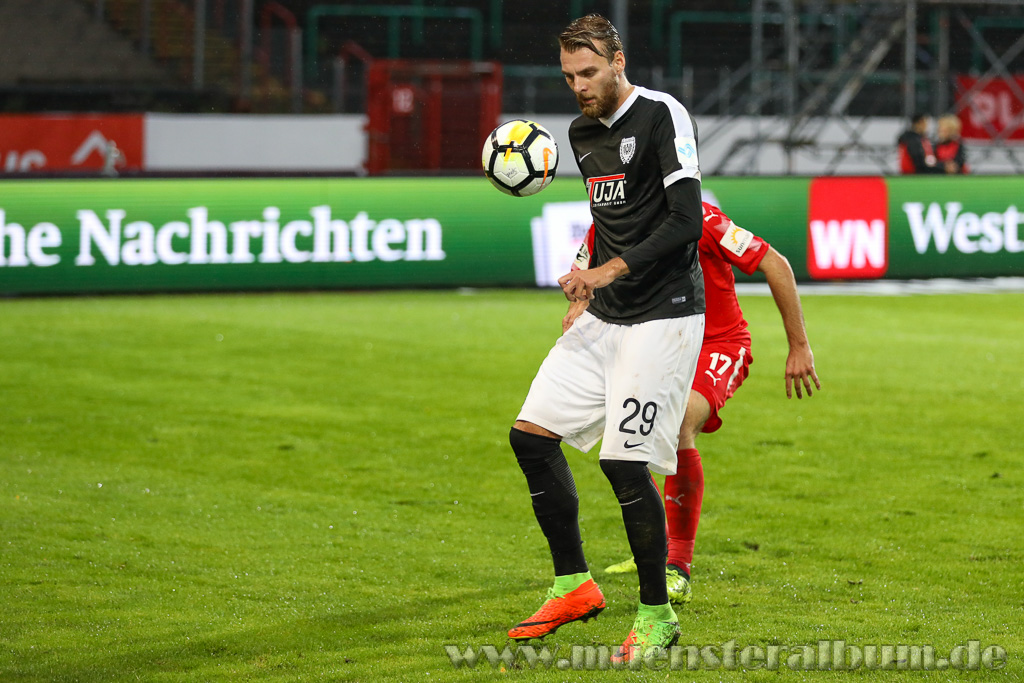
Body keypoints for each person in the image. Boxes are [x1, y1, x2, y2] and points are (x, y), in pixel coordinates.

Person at [506, 14, 706, 661]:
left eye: (588, 72)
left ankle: (656, 614)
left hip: (667, 315)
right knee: (530, 436)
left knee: (624, 462)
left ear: (618, 60)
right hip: (607, 312)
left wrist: (608, 271)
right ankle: (575, 584)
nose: (579, 87)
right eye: (568, 76)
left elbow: (685, 223)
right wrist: (586, 281)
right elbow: (608, 217)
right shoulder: (579, 133)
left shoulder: (661, 117)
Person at [565, 202, 821, 604]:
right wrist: (579, 303)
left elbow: (775, 263)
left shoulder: (700, 218)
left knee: (679, 422)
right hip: (655, 342)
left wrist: (799, 345)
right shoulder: (614, 216)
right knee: (632, 435)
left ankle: (678, 567)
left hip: (718, 343)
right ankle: (653, 546)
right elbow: (584, 274)